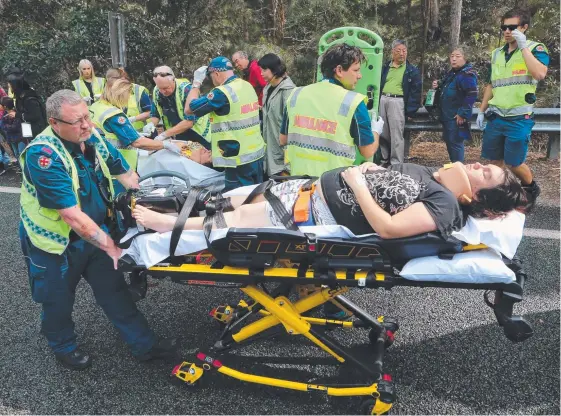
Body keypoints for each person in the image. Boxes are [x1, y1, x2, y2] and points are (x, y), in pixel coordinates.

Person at [19, 89, 176, 370]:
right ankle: (63, 345)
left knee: (114, 290)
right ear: (55, 124)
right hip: (55, 244)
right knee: (57, 300)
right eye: (76, 121)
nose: (86, 125)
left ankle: (144, 344)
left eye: (86, 116)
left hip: (95, 232)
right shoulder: (43, 156)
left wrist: (151, 206)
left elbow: (125, 174)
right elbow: (72, 216)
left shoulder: (93, 135)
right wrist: (110, 246)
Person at [132, 162, 531, 241]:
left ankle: (164, 226)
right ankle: (165, 206)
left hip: (312, 211)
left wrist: (358, 183)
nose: (477, 164)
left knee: (233, 218)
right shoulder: (432, 176)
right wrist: (374, 171)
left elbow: (389, 228)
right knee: (220, 200)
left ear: (473, 196)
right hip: (305, 189)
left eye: (485, 174)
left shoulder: (445, 205)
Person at [279, 43, 383, 177]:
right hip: (333, 186)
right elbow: (367, 151)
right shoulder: (353, 102)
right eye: (356, 70)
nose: (360, 76)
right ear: (339, 70)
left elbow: (283, 139)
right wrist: (376, 130)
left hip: (298, 182)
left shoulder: (296, 95)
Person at [477, 8, 549, 201]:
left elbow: (540, 74)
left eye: (512, 27)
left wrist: (524, 47)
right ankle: (495, 197)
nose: (507, 31)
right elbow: (492, 84)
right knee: (494, 162)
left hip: (519, 118)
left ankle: (531, 189)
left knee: (514, 163)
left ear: (524, 27)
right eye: (504, 27)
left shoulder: (535, 48)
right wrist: (481, 111)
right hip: (496, 117)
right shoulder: (496, 54)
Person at [184, 56, 265, 192]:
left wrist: (196, 84)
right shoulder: (247, 85)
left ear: (216, 73)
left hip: (237, 159)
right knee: (256, 197)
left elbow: (189, 109)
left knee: (238, 203)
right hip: (256, 154)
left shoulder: (222, 93)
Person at [89, 79, 187, 176]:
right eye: (127, 95)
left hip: (102, 161)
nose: (127, 99)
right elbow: (137, 142)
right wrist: (165, 144)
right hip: (120, 166)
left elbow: (110, 133)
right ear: (120, 94)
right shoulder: (113, 115)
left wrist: (135, 134)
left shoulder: (96, 106)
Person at [431, 46, 478, 162]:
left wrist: (462, 113)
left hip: (457, 117)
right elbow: (449, 87)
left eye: (457, 56)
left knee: (456, 144)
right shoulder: (453, 73)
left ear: (465, 58)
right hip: (448, 115)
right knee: (450, 143)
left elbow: (472, 94)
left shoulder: (467, 74)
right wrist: (439, 84)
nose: (454, 59)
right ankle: (454, 169)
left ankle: (459, 171)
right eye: (452, 56)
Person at [379, 40, 422, 166]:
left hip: (398, 101)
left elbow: (416, 91)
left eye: (404, 51)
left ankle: (396, 163)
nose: (402, 54)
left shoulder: (411, 70)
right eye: (398, 51)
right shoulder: (386, 67)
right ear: (392, 52)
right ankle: (384, 159)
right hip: (383, 99)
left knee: (396, 133)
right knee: (383, 131)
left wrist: (411, 110)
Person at [148, 65, 211, 149]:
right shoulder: (157, 91)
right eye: (160, 88)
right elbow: (155, 114)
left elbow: (189, 121)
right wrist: (151, 124)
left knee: (202, 159)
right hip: (178, 135)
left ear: (173, 80)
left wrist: (164, 134)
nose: (163, 92)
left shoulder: (186, 90)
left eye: (166, 88)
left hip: (199, 134)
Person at [258, 53, 296, 177]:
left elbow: (291, 123)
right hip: (269, 146)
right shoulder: (268, 88)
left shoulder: (288, 90)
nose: (261, 73)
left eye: (264, 70)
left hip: (281, 151)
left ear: (275, 69)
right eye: (260, 70)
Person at [6, 69, 47, 139]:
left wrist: (17, 115)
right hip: (29, 131)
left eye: (10, 83)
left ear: (15, 84)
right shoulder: (19, 97)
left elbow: (35, 116)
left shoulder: (29, 98)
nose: (8, 85)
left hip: (39, 133)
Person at [0, 96, 27, 161]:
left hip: (20, 138)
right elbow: (2, 125)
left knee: (22, 153)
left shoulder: (16, 114)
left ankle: (25, 168)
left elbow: (14, 127)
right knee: (16, 153)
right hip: (11, 139)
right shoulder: (4, 114)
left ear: (5, 106)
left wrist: (6, 126)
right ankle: (20, 167)